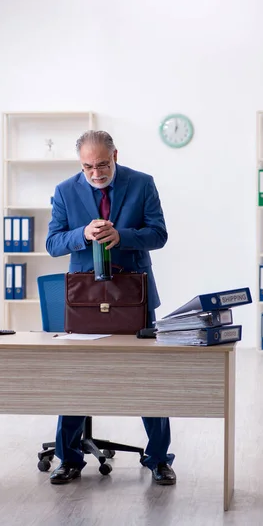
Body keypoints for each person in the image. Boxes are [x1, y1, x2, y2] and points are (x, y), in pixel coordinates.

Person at [46, 130, 176, 486]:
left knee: (147, 379)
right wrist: (83, 235)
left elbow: (159, 234)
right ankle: (69, 458)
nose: (96, 173)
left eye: (102, 164)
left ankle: (159, 458)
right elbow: (53, 243)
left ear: (115, 155)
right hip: (85, 297)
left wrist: (124, 235)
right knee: (76, 378)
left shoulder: (142, 183)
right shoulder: (64, 191)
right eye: (88, 166)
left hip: (134, 294)